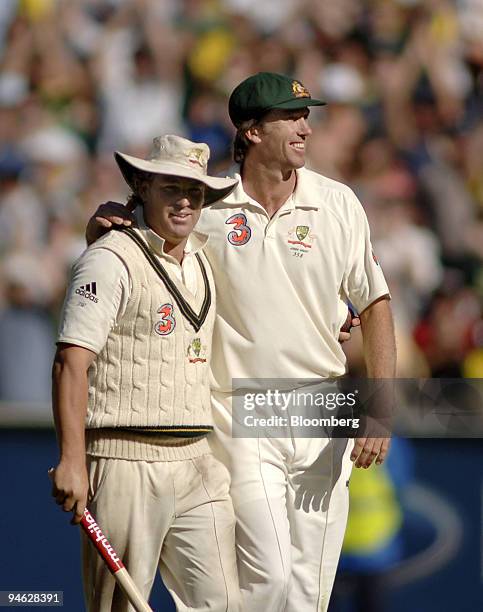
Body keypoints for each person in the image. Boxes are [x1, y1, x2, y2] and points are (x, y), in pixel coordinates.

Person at [87, 72, 396, 612]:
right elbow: (132, 232)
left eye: (306, 116)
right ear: (252, 132)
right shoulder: (208, 204)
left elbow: (375, 304)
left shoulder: (339, 203)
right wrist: (101, 224)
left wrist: (381, 407)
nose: (305, 126)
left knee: (308, 597)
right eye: (290, 117)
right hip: (243, 410)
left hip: (326, 407)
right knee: (270, 582)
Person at [51, 134, 241, 611]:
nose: (184, 202)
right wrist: (73, 460)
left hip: (198, 459)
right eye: (171, 188)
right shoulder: (109, 258)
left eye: (195, 192)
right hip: (124, 460)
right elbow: (71, 363)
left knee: (223, 604)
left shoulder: (203, 257)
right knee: (119, 607)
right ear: (142, 186)